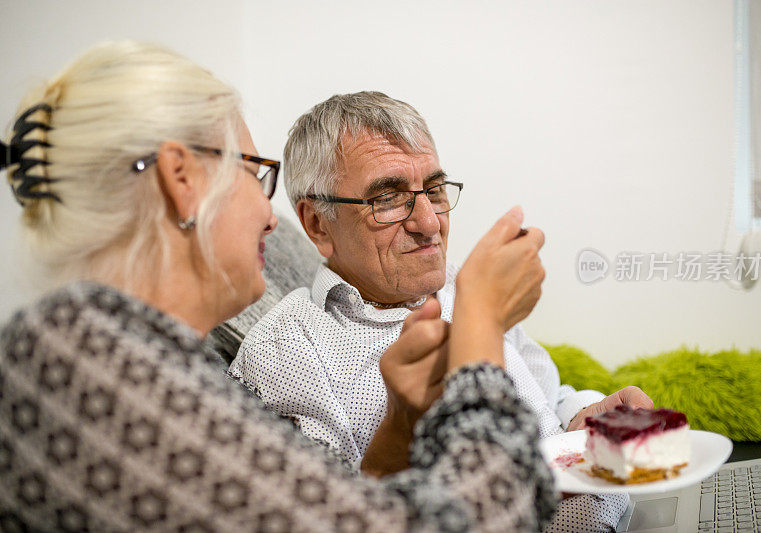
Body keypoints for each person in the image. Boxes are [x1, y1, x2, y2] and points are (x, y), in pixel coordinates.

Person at [0, 42, 559, 531]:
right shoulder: (82, 357)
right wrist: (480, 328)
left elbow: (332, 510)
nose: (271, 218)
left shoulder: (143, 356)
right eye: (255, 174)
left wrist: (405, 421)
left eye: (432, 191)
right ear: (183, 180)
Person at [228, 91, 655, 531]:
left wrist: (584, 417)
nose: (430, 223)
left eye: (434, 190)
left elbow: (548, 397)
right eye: (388, 199)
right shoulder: (284, 355)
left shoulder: (463, 285)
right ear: (318, 224)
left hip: (633, 513)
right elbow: (346, 519)